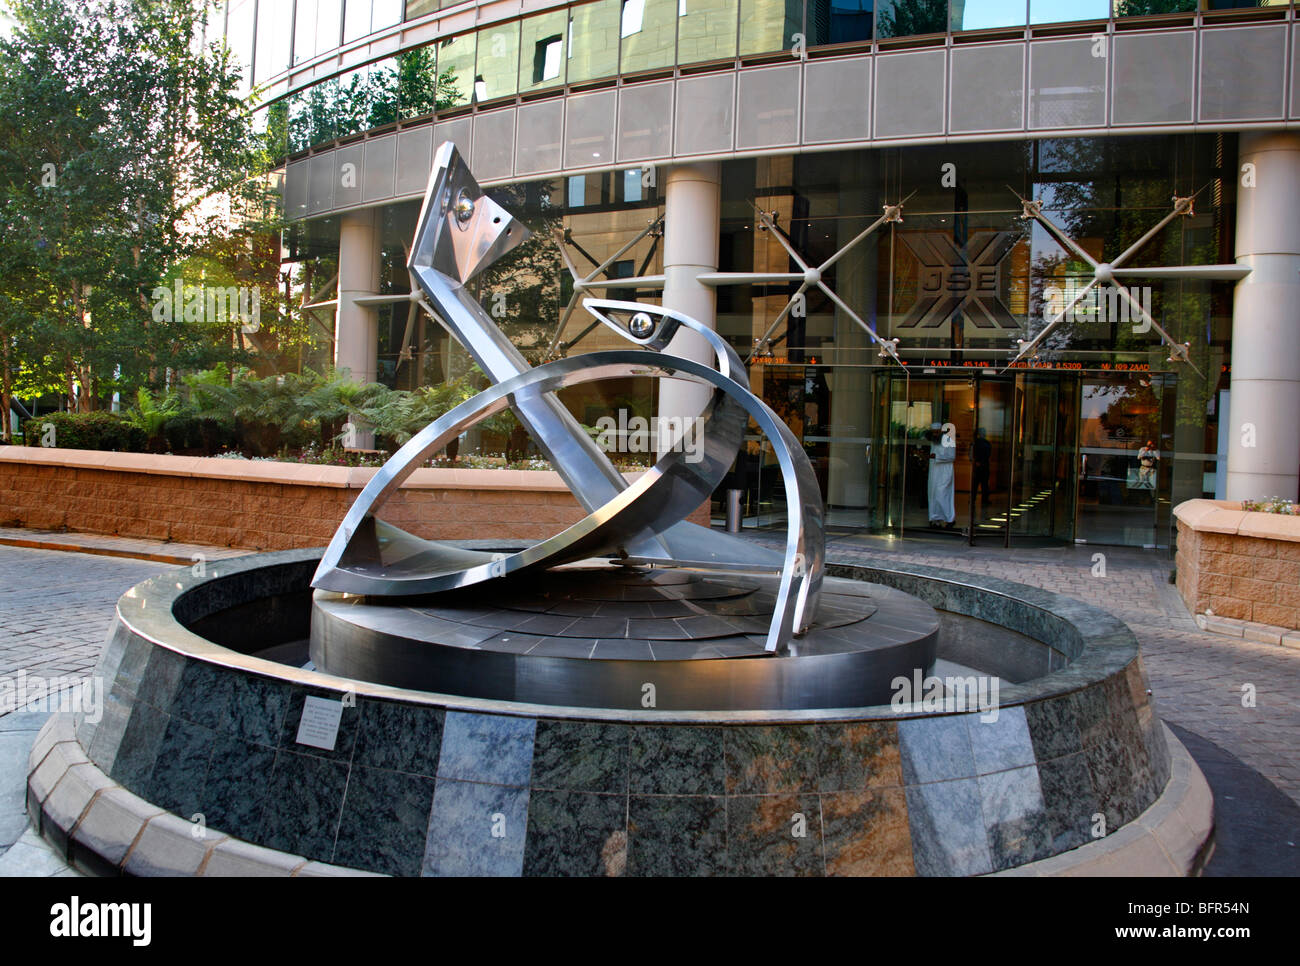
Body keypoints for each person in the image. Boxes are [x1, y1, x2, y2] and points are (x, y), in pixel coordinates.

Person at [927, 422, 956, 527]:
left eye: (936, 432)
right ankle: (935, 519)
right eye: (933, 432)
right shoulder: (933, 442)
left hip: (945, 472)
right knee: (933, 495)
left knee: (942, 495)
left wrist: (937, 456)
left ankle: (950, 519)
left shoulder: (949, 440)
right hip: (934, 472)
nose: (935, 434)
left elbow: (952, 456)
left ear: (941, 431)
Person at [972, 427, 991, 509]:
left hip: (979, 465)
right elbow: (988, 454)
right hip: (984, 465)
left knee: (976, 483)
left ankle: (974, 499)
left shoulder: (976, 443)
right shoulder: (986, 443)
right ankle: (984, 500)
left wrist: (977, 461)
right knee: (984, 484)